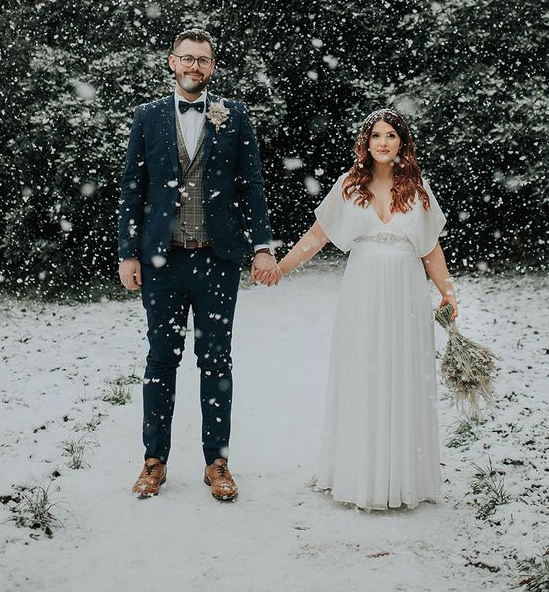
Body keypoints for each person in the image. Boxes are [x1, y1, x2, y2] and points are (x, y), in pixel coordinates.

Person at [254, 108, 457, 511]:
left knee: (402, 375)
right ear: (366, 143)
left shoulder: (418, 189)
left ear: (402, 143)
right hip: (363, 291)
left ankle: (403, 477)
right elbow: (319, 235)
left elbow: (431, 247)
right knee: (364, 372)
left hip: (406, 295)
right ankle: (360, 473)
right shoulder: (350, 186)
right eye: (376, 135)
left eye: (391, 136)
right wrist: (281, 269)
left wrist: (447, 293)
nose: (383, 143)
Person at [118, 28, 277, 500]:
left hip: (218, 261)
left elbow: (251, 185)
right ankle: (154, 461)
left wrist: (262, 246)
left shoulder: (235, 115)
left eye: (202, 60)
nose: (194, 67)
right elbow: (133, 187)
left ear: (211, 66)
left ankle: (217, 463)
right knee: (160, 361)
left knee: (216, 362)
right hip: (162, 265)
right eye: (186, 59)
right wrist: (128, 252)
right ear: (172, 62)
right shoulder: (147, 117)